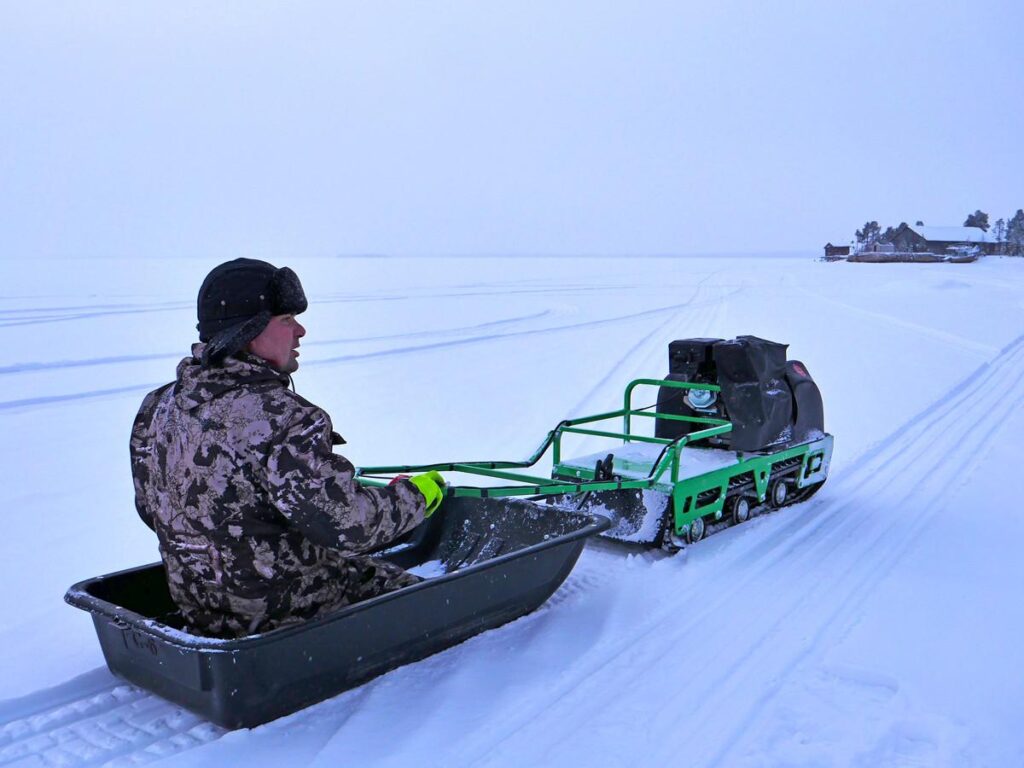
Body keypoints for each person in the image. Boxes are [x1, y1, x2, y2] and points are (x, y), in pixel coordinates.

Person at [130, 258, 445, 638]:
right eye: (285, 320)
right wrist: (415, 496)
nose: (301, 331)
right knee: (435, 602)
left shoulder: (158, 406)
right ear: (247, 332)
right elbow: (349, 526)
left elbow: (151, 510)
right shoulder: (283, 419)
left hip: (200, 607)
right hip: (291, 613)